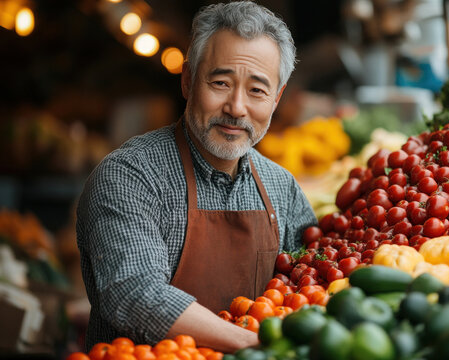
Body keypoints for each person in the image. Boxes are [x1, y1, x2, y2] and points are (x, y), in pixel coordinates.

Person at [76, 1, 317, 353]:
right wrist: (258, 346)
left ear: (277, 99)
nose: (236, 108)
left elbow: (308, 286)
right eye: (220, 82)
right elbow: (134, 292)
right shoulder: (129, 175)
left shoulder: (284, 189)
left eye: (257, 90)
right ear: (188, 81)